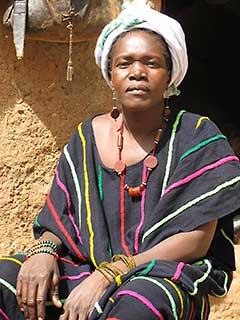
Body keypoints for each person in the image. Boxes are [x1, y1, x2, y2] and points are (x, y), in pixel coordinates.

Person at [0, 1, 240, 319]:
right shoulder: (85, 138)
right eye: (125, 63)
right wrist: (43, 252)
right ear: (111, 75)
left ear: (170, 76)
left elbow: (194, 242)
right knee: (7, 280)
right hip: (84, 271)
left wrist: (113, 272)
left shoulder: (197, 136)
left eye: (151, 63)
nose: (137, 72)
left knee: (139, 302)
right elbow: (60, 218)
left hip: (159, 275)